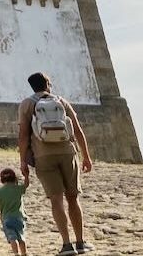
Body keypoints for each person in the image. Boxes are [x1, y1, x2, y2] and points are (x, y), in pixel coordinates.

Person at [19, 72, 94, 255]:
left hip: (43, 156)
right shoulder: (61, 101)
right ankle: (81, 242)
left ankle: (67, 245)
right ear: (48, 84)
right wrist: (86, 156)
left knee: (56, 200)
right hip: (67, 153)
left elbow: (22, 135)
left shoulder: (27, 104)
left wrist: (22, 160)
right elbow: (76, 129)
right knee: (73, 198)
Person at [0, 167, 29, 255]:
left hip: (7, 218)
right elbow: (26, 185)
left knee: (12, 238)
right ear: (14, 178)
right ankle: (24, 253)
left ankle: (16, 253)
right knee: (21, 237)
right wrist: (26, 176)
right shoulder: (18, 189)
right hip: (19, 217)